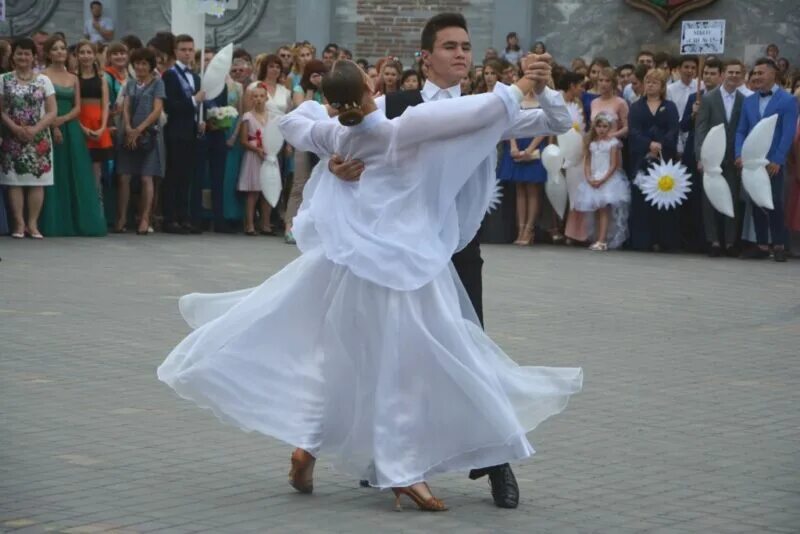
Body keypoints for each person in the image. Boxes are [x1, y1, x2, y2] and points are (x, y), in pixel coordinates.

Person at [158, 55, 582, 513]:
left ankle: (310, 448)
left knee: (354, 362)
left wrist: (334, 150)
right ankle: (403, 473)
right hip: (403, 271)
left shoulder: (338, 131)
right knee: (399, 364)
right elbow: (470, 113)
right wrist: (518, 84)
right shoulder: (404, 126)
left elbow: (300, 122)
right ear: (368, 86)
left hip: (359, 263)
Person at [327, 13, 572, 509]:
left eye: (465, 46)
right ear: (427, 55)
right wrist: (339, 167)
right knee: (394, 356)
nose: (460, 54)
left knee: (471, 352)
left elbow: (559, 123)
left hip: (458, 250)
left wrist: (544, 86)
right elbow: (347, 146)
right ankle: (389, 459)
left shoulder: (488, 108)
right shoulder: (396, 105)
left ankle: (496, 464)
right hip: (398, 251)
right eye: (449, 46)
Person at [39, 36, 107, 238]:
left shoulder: (73, 77)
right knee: (55, 173)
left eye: (62, 48)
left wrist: (62, 120)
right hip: (49, 127)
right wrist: (54, 124)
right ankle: (54, 221)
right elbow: (41, 105)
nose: (60, 52)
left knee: (76, 173)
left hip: (71, 128)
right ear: (49, 53)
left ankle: (80, 221)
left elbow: (78, 108)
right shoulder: (42, 76)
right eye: (55, 49)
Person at [735, 57, 799, 262]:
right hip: (752, 162)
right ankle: (761, 245)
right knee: (755, 202)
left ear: (773, 74)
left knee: (775, 203)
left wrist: (778, 159)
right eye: (754, 74)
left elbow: (788, 133)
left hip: (773, 162)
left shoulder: (788, 101)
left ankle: (779, 245)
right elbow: (741, 130)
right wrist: (739, 154)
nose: (756, 77)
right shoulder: (749, 101)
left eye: (760, 73)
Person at [0, 38, 57, 239]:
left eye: (27, 53)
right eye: (19, 53)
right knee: (14, 181)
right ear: (13, 56)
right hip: (12, 136)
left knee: (36, 181)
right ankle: (19, 223)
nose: (23, 57)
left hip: (38, 137)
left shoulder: (44, 80)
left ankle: (33, 224)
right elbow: (1, 110)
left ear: (34, 56)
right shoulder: (4, 79)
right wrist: (14, 127)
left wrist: (35, 129)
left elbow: (52, 111)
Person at [695, 59, 746, 257]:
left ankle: (731, 242)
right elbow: (701, 129)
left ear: (742, 76)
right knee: (709, 201)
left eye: (737, 73)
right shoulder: (708, 98)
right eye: (730, 72)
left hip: (733, 158)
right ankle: (713, 241)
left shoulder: (745, 100)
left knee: (731, 199)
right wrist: (700, 156)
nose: (733, 76)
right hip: (711, 157)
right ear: (723, 73)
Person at [628, 68, 680, 252]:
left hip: (664, 159)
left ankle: (664, 240)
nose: (650, 85)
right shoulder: (636, 106)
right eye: (648, 81)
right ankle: (642, 240)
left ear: (662, 86)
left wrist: (661, 144)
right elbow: (633, 131)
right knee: (641, 200)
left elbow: (674, 129)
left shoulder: (670, 106)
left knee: (663, 198)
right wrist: (648, 144)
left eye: (655, 82)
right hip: (641, 158)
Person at [114, 47, 165, 235]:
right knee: (125, 176)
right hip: (129, 135)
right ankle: (121, 218)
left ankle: (145, 218)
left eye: (144, 63)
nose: (140, 67)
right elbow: (126, 106)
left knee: (146, 177)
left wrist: (139, 129)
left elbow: (157, 110)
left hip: (149, 135)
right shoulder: (131, 84)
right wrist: (128, 127)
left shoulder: (158, 84)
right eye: (137, 63)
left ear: (151, 65)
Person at [162, 34, 205, 234]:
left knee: (187, 176)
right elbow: (171, 106)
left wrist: (200, 121)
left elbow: (194, 108)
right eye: (183, 50)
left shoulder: (195, 77)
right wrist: (194, 101)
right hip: (175, 131)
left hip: (190, 131)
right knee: (174, 175)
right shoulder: (170, 75)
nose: (188, 53)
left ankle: (184, 216)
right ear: (176, 52)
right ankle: (170, 218)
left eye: (190, 49)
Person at [679, 58, 723, 253]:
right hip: (693, 152)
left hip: (717, 151)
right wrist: (693, 114)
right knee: (695, 195)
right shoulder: (694, 97)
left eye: (713, 73)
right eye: (706, 73)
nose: (708, 77)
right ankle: (695, 239)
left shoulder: (723, 98)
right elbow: (684, 126)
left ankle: (717, 238)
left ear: (720, 76)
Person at [496, 87, 549, 246]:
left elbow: (546, 127)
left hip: (534, 145)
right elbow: (509, 123)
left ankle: (529, 229)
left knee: (532, 189)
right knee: (519, 189)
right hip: (517, 143)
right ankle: (520, 229)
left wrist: (531, 149)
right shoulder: (516, 101)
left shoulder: (543, 100)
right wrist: (512, 145)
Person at [284, 59, 327, 243]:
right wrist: (311, 88)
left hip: (323, 140)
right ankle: (289, 227)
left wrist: (323, 88)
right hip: (304, 141)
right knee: (299, 184)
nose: (319, 78)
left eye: (322, 74)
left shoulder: (327, 90)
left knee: (321, 183)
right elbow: (303, 110)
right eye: (315, 74)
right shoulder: (300, 90)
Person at [573, 113, 631, 250]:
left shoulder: (613, 144)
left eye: (605, 126)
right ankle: (599, 237)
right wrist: (589, 178)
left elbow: (614, 165)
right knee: (597, 210)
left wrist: (603, 179)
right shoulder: (592, 143)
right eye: (599, 126)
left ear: (610, 128)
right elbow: (587, 163)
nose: (602, 129)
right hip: (593, 179)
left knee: (604, 210)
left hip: (608, 180)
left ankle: (602, 240)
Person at [255, 53, 292, 234]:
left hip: (280, 137)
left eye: (278, 66)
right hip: (260, 136)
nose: (275, 69)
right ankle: (259, 219)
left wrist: (288, 143)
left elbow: (289, 117)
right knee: (258, 180)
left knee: (276, 179)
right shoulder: (255, 87)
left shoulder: (285, 91)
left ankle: (271, 218)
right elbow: (249, 113)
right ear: (265, 68)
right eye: (271, 66)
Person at [76, 41, 113, 193]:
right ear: (77, 55)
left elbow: (105, 106)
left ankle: (97, 202)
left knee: (96, 168)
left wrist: (103, 127)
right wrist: (82, 128)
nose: (86, 56)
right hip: (80, 124)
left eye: (89, 52)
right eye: (82, 52)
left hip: (98, 124)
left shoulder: (102, 78)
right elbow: (74, 106)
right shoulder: (73, 78)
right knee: (80, 166)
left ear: (94, 55)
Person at [237, 83, 270, 235]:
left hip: (268, 156)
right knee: (253, 192)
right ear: (251, 99)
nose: (258, 99)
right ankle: (249, 224)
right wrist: (257, 149)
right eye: (255, 96)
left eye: (261, 96)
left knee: (267, 191)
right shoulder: (247, 117)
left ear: (266, 98)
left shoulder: (272, 117)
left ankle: (266, 224)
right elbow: (243, 140)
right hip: (253, 156)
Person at [666, 55, 700, 157]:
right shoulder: (670, 89)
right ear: (679, 69)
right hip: (678, 133)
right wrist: (678, 144)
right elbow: (671, 117)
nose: (689, 70)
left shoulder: (700, 86)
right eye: (686, 67)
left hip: (695, 134)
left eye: (693, 68)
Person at [590, 67, 629, 139]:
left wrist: (612, 135)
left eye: (607, 81)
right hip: (596, 144)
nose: (603, 83)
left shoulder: (620, 102)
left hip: (613, 144)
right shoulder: (593, 103)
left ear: (613, 83)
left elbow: (627, 127)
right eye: (600, 80)